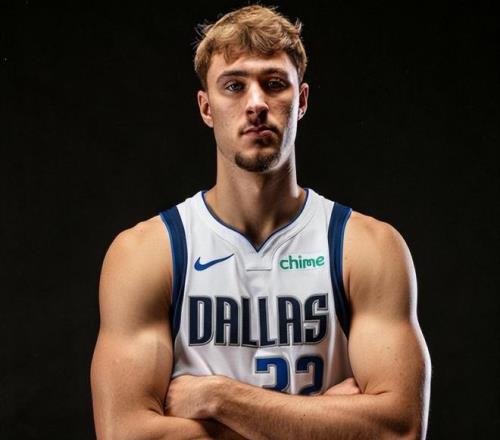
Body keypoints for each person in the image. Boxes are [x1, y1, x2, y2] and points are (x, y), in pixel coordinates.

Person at [90, 4, 431, 439]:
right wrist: (322, 422)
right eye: (234, 86)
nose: (255, 104)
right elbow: (124, 434)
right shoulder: (147, 253)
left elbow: (399, 430)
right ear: (206, 107)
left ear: (301, 100)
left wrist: (219, 398)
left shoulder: (365, 247)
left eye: (274, 84)